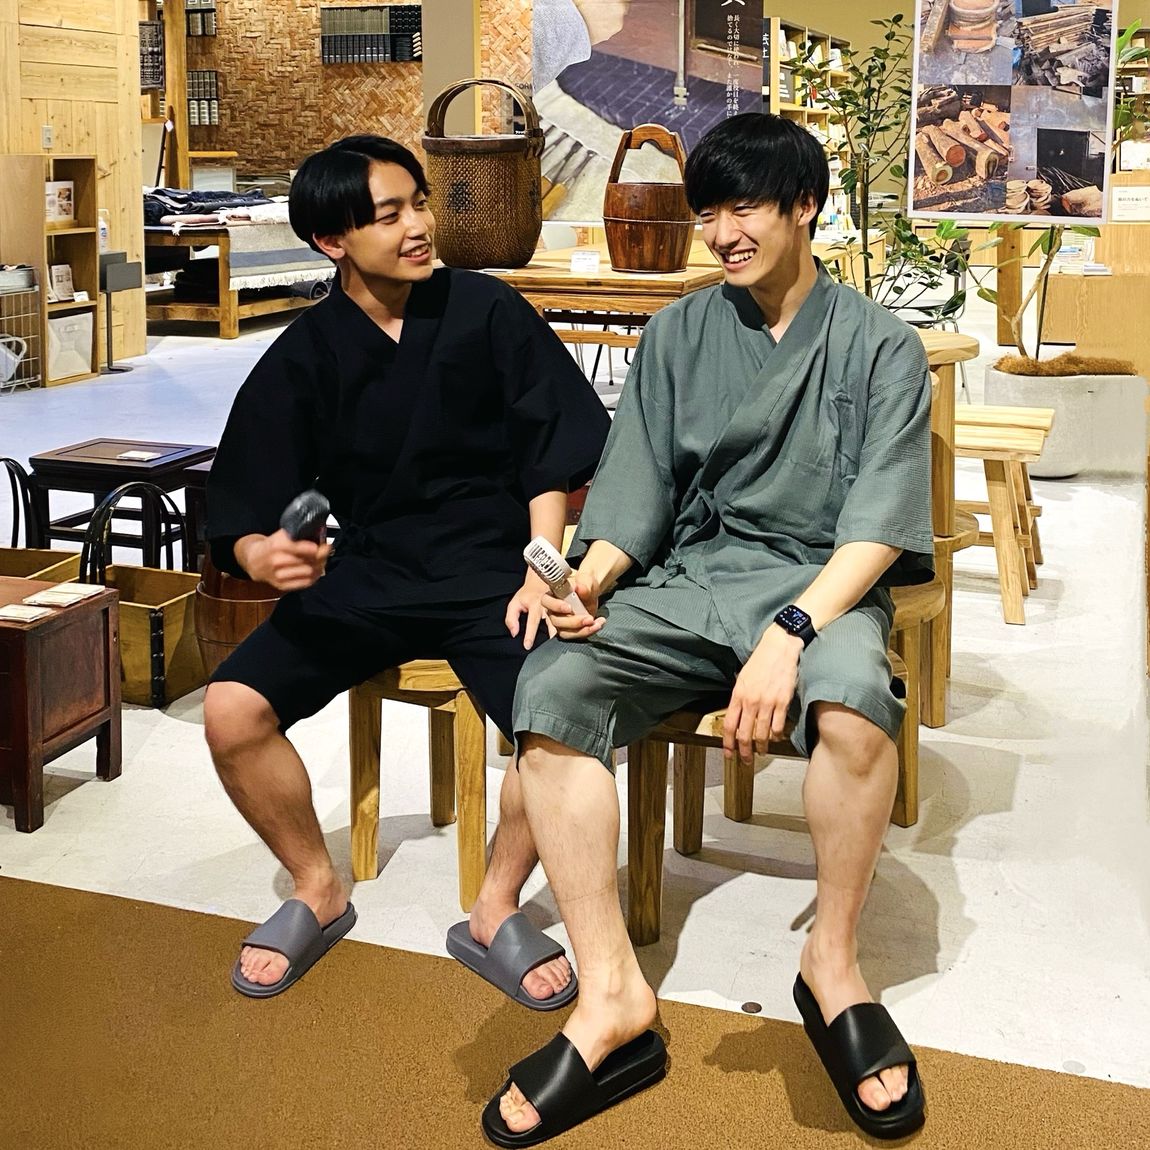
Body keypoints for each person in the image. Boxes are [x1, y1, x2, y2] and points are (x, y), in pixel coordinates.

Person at [483, 112, 934, 1145]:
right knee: (551, 687)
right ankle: (611, 992)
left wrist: (791, 630)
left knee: (855, 705)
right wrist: (587, 577)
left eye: (745, 208)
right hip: (694, 575)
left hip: (822, 586)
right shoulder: (680, 333)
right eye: (708, 214)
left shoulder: (880, 346)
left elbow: (877, 525)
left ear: (804, 206)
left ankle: (832, 962)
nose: (723, 233)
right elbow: (635, 491)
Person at [202, 135, 610, 1003]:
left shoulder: (487, 310)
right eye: (389, 215)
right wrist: (259, 553)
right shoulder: (307, 352)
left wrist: (543, 571)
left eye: (419, 203)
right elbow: (246, 496)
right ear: (332, 241)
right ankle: (316, 884)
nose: (419, 226)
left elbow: (551, 451)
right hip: (371, 572)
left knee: (558, 722)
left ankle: (495, 908)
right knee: (232, 711)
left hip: (498, 574)